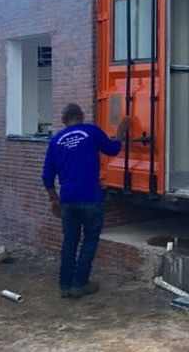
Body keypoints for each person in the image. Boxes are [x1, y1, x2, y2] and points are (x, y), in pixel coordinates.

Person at [41, 103, 129, 299]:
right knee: (89, 240)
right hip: (91, 198)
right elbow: (113, 150)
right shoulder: (91, 131)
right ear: (81, 116)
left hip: (68, 200)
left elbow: (47, 176)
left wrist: (54, 201)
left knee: (70, 241)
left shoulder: (55, 141)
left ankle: (65, 286)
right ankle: (80, 283)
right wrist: (120, 133)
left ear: (64, 121)